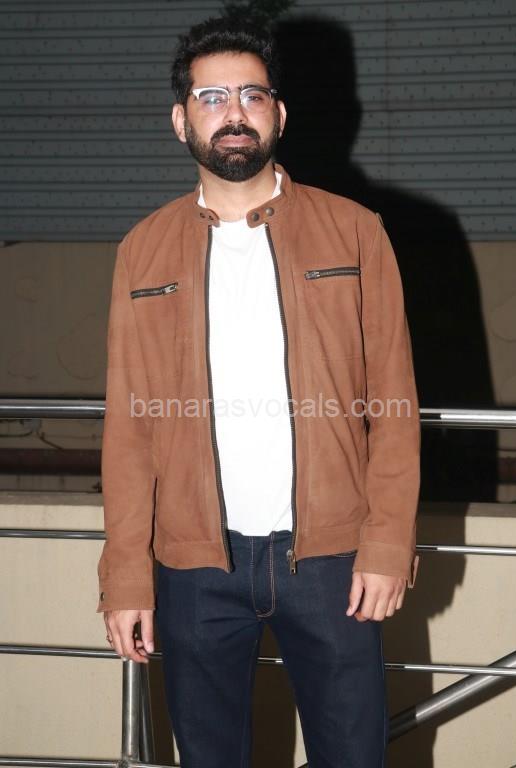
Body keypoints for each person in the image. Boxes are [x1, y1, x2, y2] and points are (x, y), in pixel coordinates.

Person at [96, 16, 420, 768]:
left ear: (278, 113)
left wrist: (387, 544)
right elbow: (130, 429)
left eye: (251, 94)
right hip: (193, 568)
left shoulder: (355, 232)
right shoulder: (142, 250)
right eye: (211, 97)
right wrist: (126, 575)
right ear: (181, 121)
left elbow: (394, 404)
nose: (233, 112)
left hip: (334, 561)